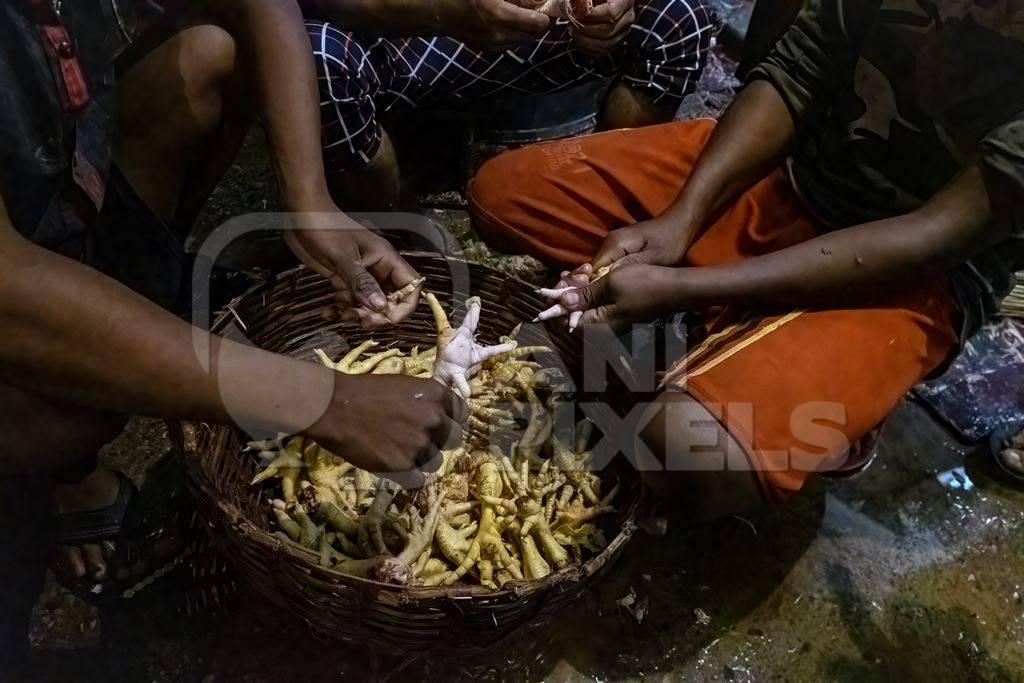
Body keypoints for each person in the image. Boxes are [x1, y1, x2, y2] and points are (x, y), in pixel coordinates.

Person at [0, 0, 465, 670]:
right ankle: (53, 472)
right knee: (79, 407)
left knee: (213, 52)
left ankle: (86, 422)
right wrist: (322, 399)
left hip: (57, 172)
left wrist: (310, 203)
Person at [469, 0, 1024, 514]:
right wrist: (678, 223)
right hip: (791, 175)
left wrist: (684, 286)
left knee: (681, 445)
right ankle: (737, 331)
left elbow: (931, 237)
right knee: (505, 197)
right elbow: (798, 69)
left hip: (913, 272)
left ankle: (833, 393)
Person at [300, 0, 713, 209]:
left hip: (542, 28)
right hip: (399, 33)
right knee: (317, 57)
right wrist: (445, 13)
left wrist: (611, 8)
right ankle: (390, 224)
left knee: (678, 17)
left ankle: (596, 206)